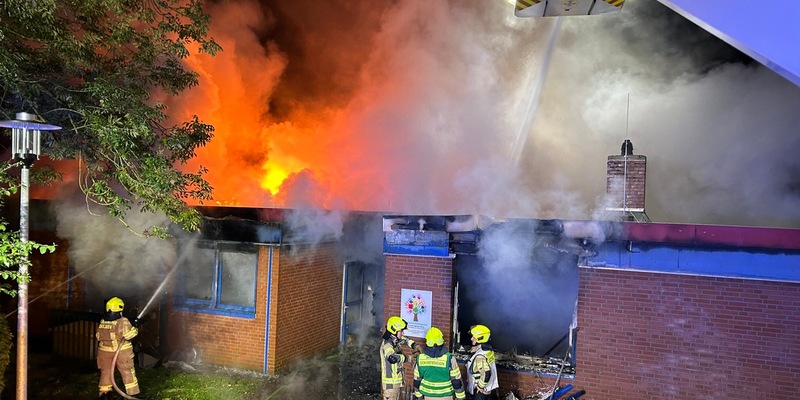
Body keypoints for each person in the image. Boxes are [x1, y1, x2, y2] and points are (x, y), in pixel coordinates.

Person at [96, 297, 140, 399]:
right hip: (121, 352)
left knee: (106, 372)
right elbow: (129, 336)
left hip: (104, 352)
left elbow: (98, 336)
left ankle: (104, 395)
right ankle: (133, 394)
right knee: (127, 371)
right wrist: (135, 329)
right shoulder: (123, 321)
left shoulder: (103, 321)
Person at [413, 326, 465, 399]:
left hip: (428, 397)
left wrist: (419, 396)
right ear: (441, 340)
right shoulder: (449, 358)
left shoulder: (420, 358)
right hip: (446, 397)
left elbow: (416, 381)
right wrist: (460, 397)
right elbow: (456, 381)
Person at [381, 316, 422, 400]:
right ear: (394, 331)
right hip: (390, 386)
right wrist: (408, 358)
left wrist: (415, 345)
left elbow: (405, 340)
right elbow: (392, 358)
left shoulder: (394, 340)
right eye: (401, 331)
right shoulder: (387, 345)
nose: (403, 333)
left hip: (397, 384)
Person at [466, 325, 498, 400]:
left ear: (480, 338)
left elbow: (486, 373)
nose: (471, 338)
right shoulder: (488, 351)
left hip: (480, 392)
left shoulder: (480, 356)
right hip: (488, 389)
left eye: (474, 337)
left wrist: (480, 387)